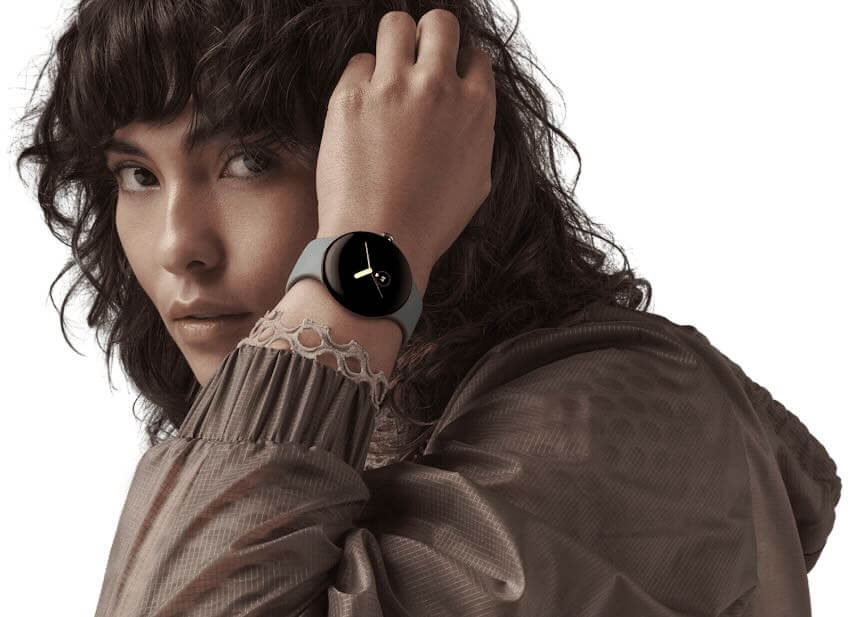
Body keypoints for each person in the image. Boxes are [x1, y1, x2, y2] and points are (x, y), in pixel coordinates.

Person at [11, 1, 840, 615]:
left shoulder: (618, 423)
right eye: (138, 176)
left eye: (251, 161)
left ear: (421, 157)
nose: (177, 245)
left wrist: (366, 256)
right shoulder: (371, 440)